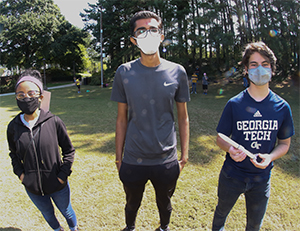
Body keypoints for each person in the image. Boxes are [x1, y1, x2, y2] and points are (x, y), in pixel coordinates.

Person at [110, 11, 190, 231]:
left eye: (153, 29)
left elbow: (183, 117)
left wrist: (184, 156)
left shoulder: (177, 72)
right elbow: (121, 119)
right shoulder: (123, 72)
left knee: (164, 202)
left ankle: (163, 227)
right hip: (133, 158)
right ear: (133, 40)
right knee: (131, 203)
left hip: (166, 159)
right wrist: (119, 159)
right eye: (141, 31)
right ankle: (130, 227)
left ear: (161, 35)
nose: (148, 34)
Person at [212, 41, 294, 231]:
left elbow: (285, 144)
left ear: (272, 70)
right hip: (232, 175)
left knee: (254, 226)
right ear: (246, 70)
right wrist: (229, 149)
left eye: (265, 64)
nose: (260, 69)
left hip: (261, 179)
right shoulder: (234, 103)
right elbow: (220, 137)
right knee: (220, 215)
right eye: (254, 64)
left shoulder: (282, 107)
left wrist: (270, 157)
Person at [7, 70, 78, 231]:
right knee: (47, 214)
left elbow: (69, 150)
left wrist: (62, 175)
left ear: (40, 96)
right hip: (32, 188)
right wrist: (22, 175)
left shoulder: (54, 121)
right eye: (21, 95)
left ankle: (74, 229)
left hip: (57, 184)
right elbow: (13, 154)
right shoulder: (13, 127)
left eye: (31, 93)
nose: (26, 98)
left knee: (67, 212)